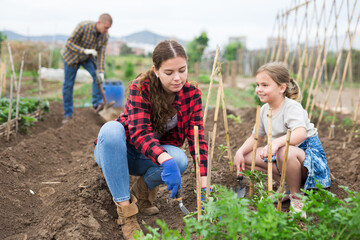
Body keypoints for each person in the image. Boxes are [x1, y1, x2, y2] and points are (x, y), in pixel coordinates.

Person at [93, 40, 209, 240]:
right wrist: (165, 159)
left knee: (180, 160)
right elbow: (139, 133)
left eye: (182, 70)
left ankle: (142, 191)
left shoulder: (192, 95)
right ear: (156, 70)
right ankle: (126, 213)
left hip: (147, 158)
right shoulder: (141, 87)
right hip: (120, 152)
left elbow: (197, 139)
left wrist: (204, 181)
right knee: (111, 129)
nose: (177, 78)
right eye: (169, 72)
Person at [234, 62, 331, 218]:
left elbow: (300, 134)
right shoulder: (265, 109)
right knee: (246, 158)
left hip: (307, 161)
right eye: (257, 84)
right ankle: (287, 184)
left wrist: (276, 143)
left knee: (284, 150)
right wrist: (239, 152)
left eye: (265, 85)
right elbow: (256, 137)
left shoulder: (291, 107)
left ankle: (296, 196)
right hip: (281, 156)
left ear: (282, 88)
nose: (259, 89)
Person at [61, 13, 112, 124]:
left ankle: (97, 103)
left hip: (87, 58)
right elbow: (69, 43)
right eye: (106, 27)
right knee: (68, 84)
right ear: (99, 23)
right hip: (71, 58)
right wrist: (84, 50)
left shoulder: (105, 36)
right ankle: (68, 114)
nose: (107, 30)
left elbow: (101, 54)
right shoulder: (83, 26)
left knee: (97, 77)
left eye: (109, 28)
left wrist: (101, 71)